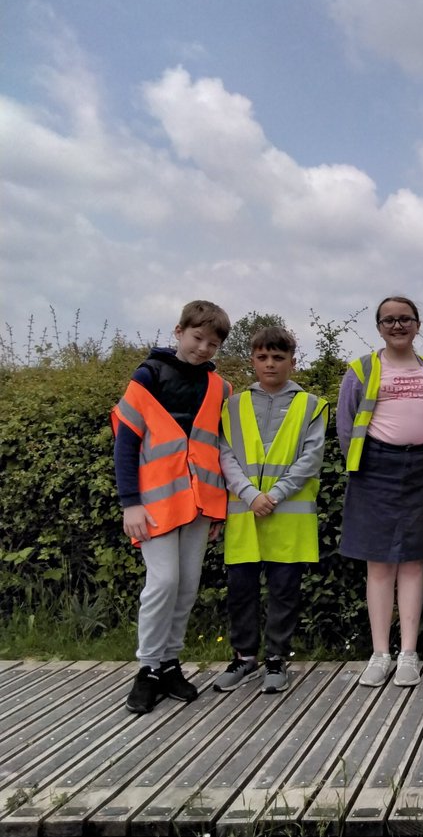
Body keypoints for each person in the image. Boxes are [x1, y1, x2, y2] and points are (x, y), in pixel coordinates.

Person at [111, 300, 232, 714]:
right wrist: (131, 503)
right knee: (162, 583)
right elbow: (126, 443)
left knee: (186, 586)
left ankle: (169, 663)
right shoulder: (147, 376)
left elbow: (220, 448)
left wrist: (220, 508)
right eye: (198, 338)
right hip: (155, 503)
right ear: (179, 331)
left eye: (213, 344)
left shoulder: (220, 387)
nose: (203, 349)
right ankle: (146, 669)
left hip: (200, 503)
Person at [337, 296, 423, 688]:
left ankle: (409, 654)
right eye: (389, 320)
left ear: (418, 324)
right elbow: (345, 423)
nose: (397, 326)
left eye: (405, 319)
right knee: (379, 564)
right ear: (379, 327)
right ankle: (380, 653)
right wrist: (365, 462)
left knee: (414, 561)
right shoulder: (362, 369)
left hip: (421, 469)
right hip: (374, 468)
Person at [215, 327, 328, 694]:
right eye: (262, 357)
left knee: (284, 591)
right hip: (245, 514)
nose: (270, 364)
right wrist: (249, 494)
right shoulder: (232, 405)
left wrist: (274, 494)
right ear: (252, 359)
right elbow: (225, 454)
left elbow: (310, 459)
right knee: (241, 590)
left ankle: (277, 658)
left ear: (292, 362)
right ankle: (245, 658)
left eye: (278, 358)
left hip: (287, 515)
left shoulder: (312, 405)